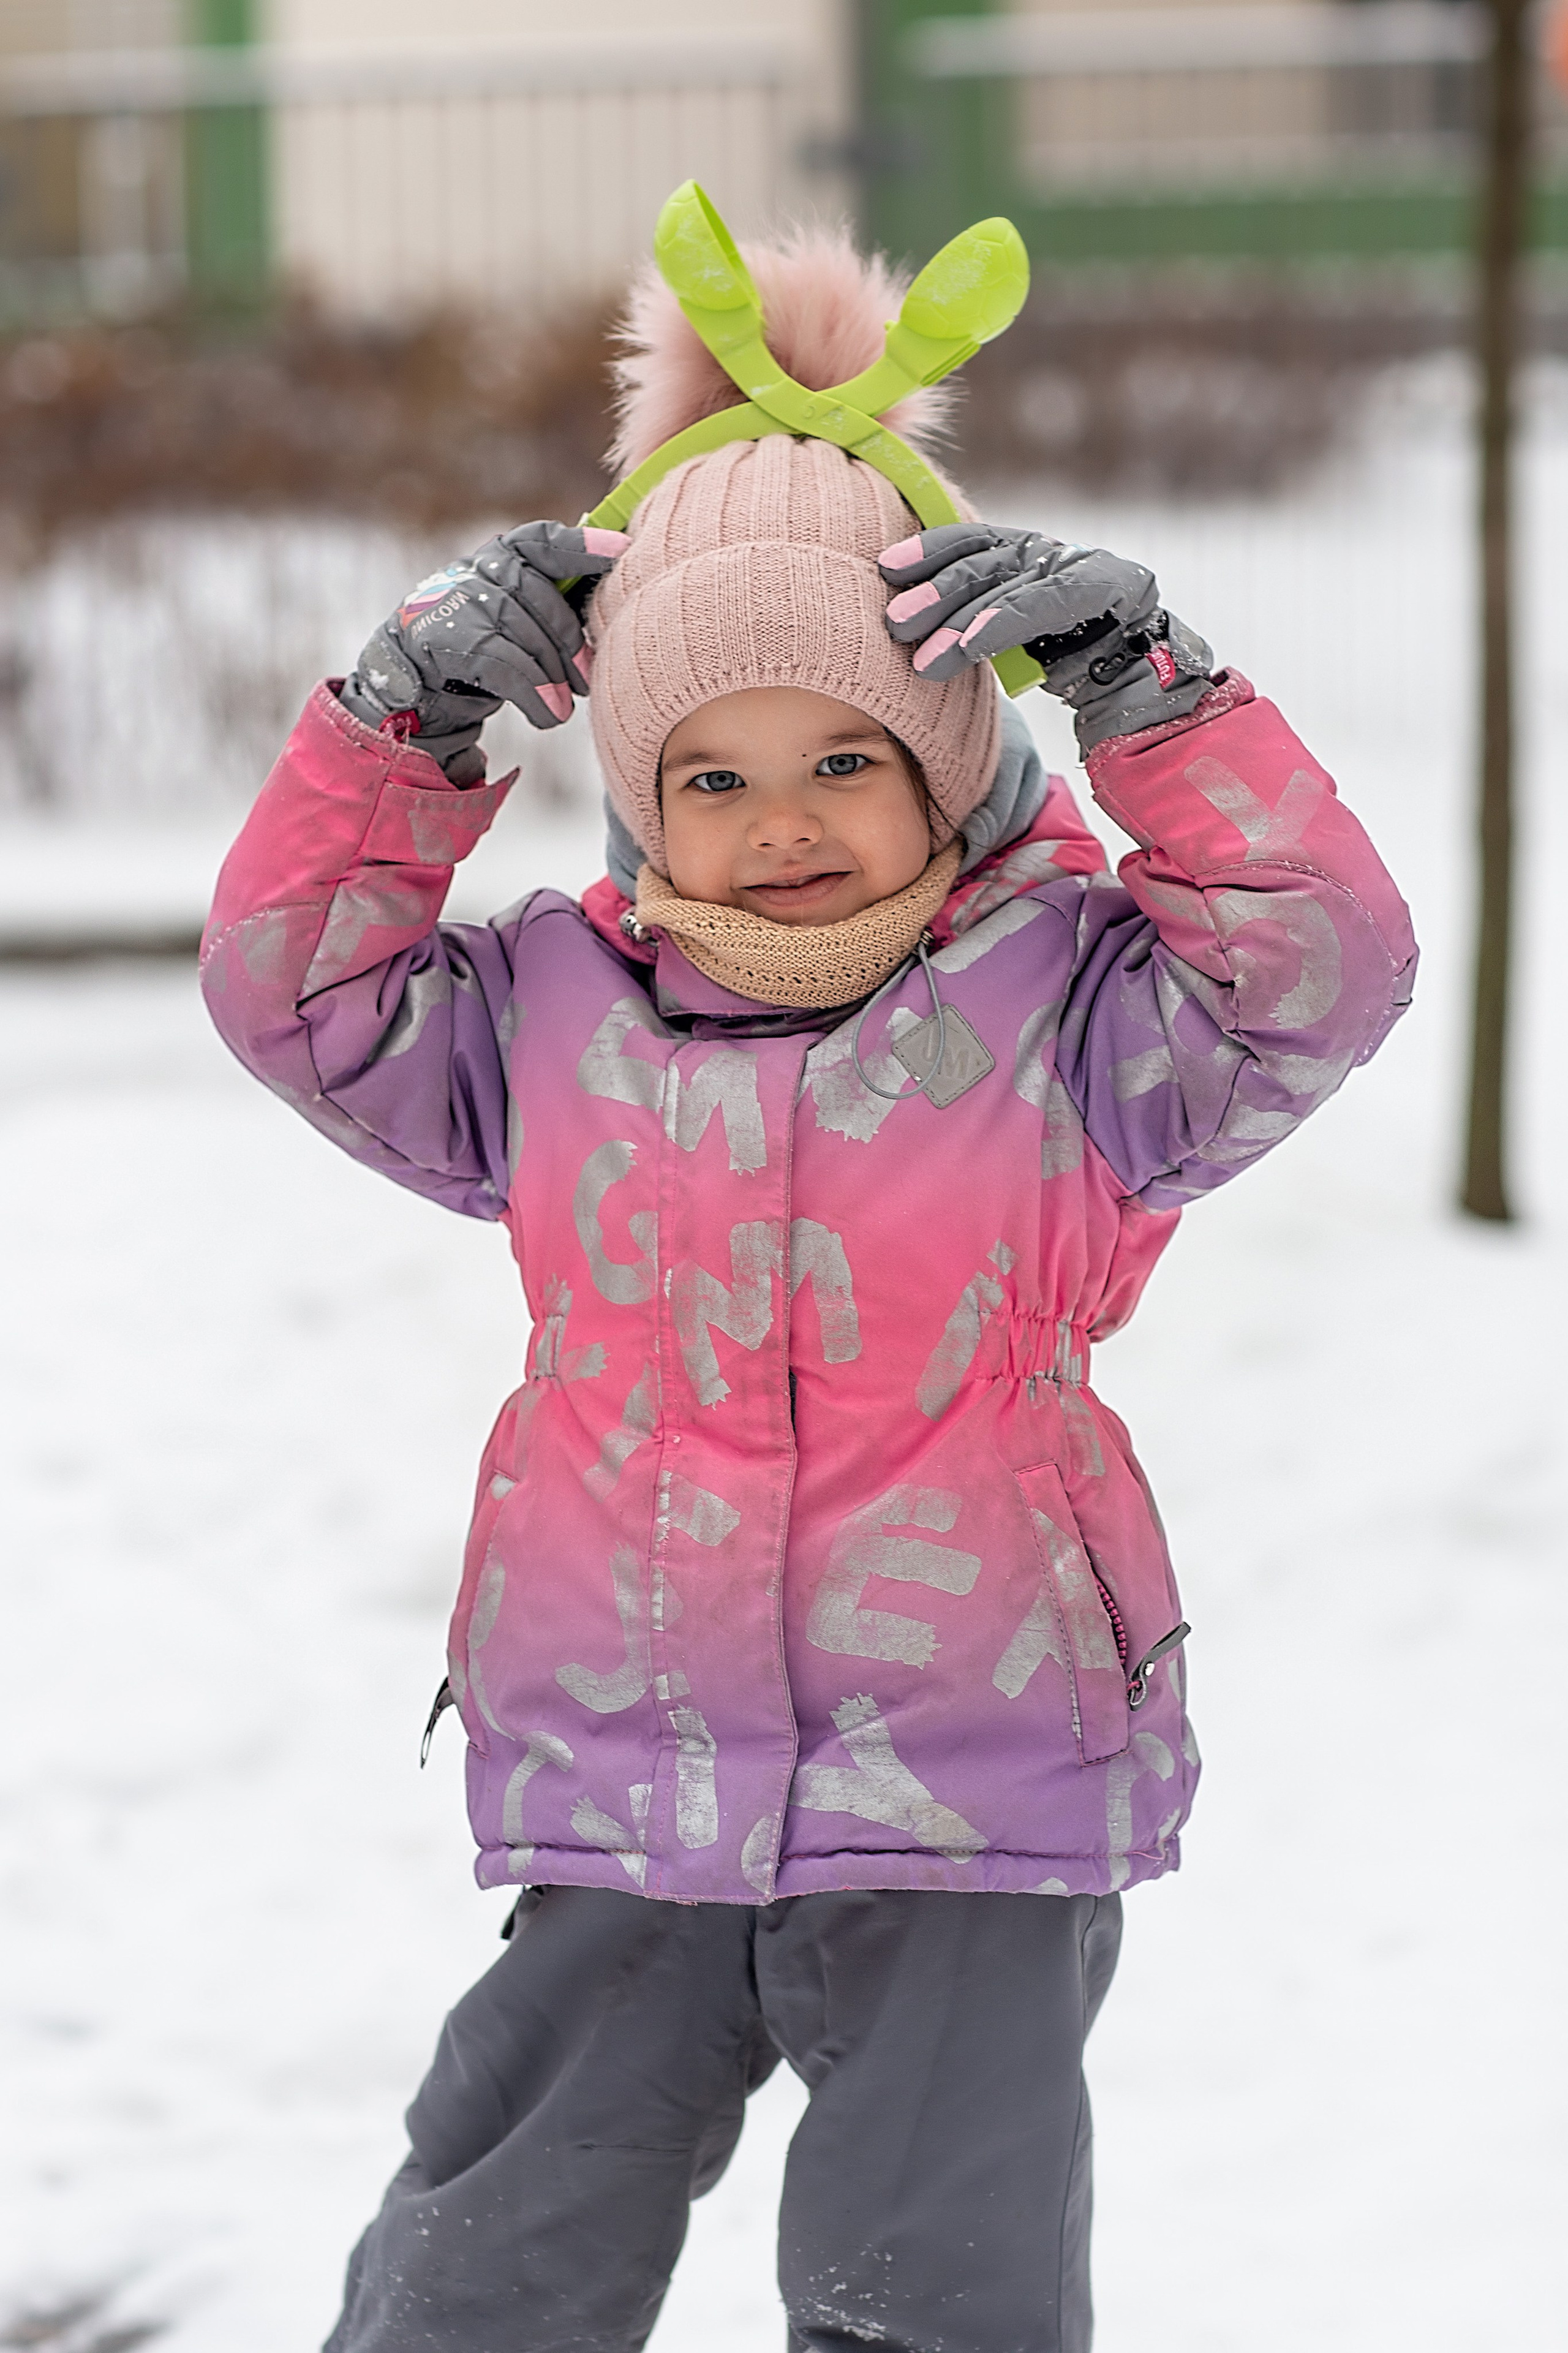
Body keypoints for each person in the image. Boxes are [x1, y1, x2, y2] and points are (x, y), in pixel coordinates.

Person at [200, 226, 1416, 2353]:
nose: (782, 824)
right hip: (626, 1768)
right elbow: (295, 993)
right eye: (715, 774)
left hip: (972, 1774)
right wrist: (400, 723)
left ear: (943, 765)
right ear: (642, 796)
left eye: (847, 760)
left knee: (930, 2288)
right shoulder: (547, 1016)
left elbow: (1325, 963)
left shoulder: (1080, 1023)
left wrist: (1158, 699)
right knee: (487, 2263)